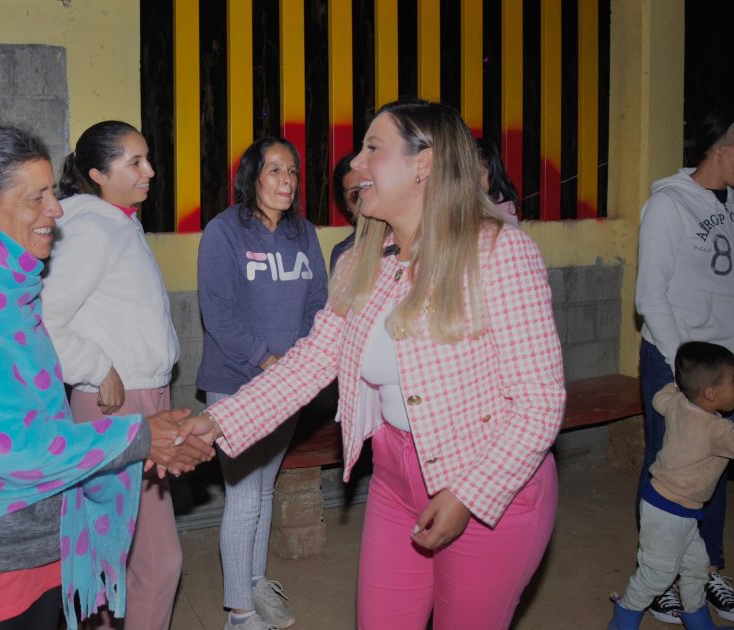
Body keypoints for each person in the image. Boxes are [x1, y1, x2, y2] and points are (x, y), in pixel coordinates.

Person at [178, 100, 565, 629]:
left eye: (373, 149)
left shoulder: (500, 252)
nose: (357, 163)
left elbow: (541, 403)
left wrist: (469, 496)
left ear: (423, 164)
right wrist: (216, 421)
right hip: (394, 480)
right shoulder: (365, 261)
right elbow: (312, 360)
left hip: (488, 480)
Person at [0, 126, 213, 630]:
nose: (55, 209)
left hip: (28, 529)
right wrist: (142, 435)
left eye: (52, 191)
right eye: (36, 197)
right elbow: (15, 447)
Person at [41, 121, 183, 630]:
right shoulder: (91, 230)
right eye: (134, 162)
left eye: (147, 159)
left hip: (142, 399)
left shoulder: (118, 223)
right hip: (115, 407)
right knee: (154, 563)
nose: (150, 171)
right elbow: (45, 320)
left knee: (114, 553)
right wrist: (96, 367)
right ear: (98, 174)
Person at [196, 136, 328, 630]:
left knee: (265, 491)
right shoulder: (224, 232)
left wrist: (300, 361)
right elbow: (219, 314)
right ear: (252, 176)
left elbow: (318, 302)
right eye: (275, 170)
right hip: (236, 382)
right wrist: (268, 360)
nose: (286, 181)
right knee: (245, 497)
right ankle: (239, 614)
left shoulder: (303, 233)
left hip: (287, 384)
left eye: (292, 171)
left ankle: (253, 582)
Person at [636, 108, 734, 623]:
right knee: (668, 465)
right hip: (679, 360)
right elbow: (650, 295)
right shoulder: (668, 205)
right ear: (721, 149)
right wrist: (682, 367)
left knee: (714, 465)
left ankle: (707, 569)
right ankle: (658, 577)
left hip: (727, 363)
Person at [610, 341, 734, 630]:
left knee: (697, 568)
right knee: (657, 575)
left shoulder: (678, 403)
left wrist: (676, 386)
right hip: (670, 515)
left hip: (668, 507)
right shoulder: (717, 430)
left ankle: (697, 620)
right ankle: (624, 617)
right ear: (710, 393)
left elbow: (659, 399)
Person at [330, 152, 363, 271]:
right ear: (346, 205)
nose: (365, 197)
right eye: (355, 194)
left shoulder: (402, 237)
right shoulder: (344, 253)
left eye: (369, 187)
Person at [476, 137, 520, 225]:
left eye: (479, 175)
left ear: (493, 174)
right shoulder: (466, 199)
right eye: (469, 175)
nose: (473, 181)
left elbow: (510, 231)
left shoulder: (505, 207)